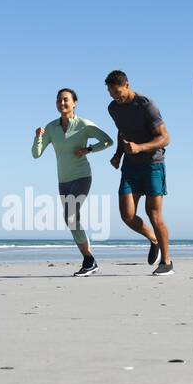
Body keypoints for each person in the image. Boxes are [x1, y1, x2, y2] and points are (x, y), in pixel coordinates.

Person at [31, 89, 114, 275]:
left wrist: (88, 149)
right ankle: (89, 259)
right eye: (59, 100)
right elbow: (36, 154)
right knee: (70, 219)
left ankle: (89, 259)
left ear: (74, 103)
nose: (62, 103)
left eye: (66, 100)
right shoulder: (51, 128)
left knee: (70, 214)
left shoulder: (84, 124)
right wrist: (37, 137)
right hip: (63, 180)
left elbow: (108, 141)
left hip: (82, 176)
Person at [105, 69, 173, 276]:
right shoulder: (113, 108)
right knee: (127, 215)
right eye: (111, 93)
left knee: (153, 214)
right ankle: (153, 239)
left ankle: (167, 262)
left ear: (127, 85)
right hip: (130, 167)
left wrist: (140, 147)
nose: (115, 97)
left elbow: (165, 138)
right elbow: (122, 131)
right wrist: (118, 154)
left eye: (118, 92)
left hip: (153, 165)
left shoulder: (147, 106)